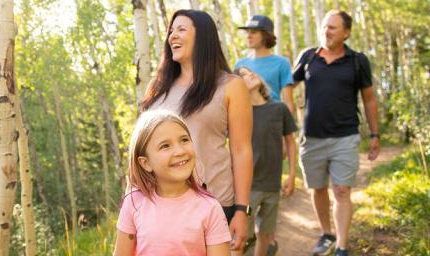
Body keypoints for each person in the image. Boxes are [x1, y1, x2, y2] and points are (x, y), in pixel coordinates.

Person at [141, 9, 254, 252]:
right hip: (160, 205)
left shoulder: (231, 86)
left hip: (214, 203)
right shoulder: (157, 87)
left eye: (181, 29)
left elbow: (241, 150)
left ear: (203, 37)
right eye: (171, 31)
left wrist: (242, 210)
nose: (172, 36)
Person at [289, 10, 379, 256]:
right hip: (312, 138)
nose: (325, 31)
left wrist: (375, 134)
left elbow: (369, 100)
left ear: (346, 33)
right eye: (324, 26)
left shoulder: (357, 61)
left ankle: (342, 246)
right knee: (317, 189)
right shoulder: (308, 57)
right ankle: (326, 234)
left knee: (341, 191)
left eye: (332, 28)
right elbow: (288, 85)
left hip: (345, 137)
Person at [113, 110, 231, 256]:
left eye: (184, 140)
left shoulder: (210, 208)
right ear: (146, 163)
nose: (179, 151)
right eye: (165, 146)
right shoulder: (133, 203)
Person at [236, 67, 298, 256]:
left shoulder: (279, 108)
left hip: (273, 184)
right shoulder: (239, 113)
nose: (251, 74)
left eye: (250, 72)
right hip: (248, 186)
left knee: (266, 233)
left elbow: (290, 141)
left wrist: (292, 175)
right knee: (241, 236)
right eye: (243, 75)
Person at [234, 15, 295, 114]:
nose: (248, 36)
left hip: (273, 119)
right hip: (248, 119)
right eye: (247, 32)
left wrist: (289, 128)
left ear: (266, 35)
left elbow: (288, 102)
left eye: (253, 32)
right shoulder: (240, 65)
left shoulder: (282, 63)